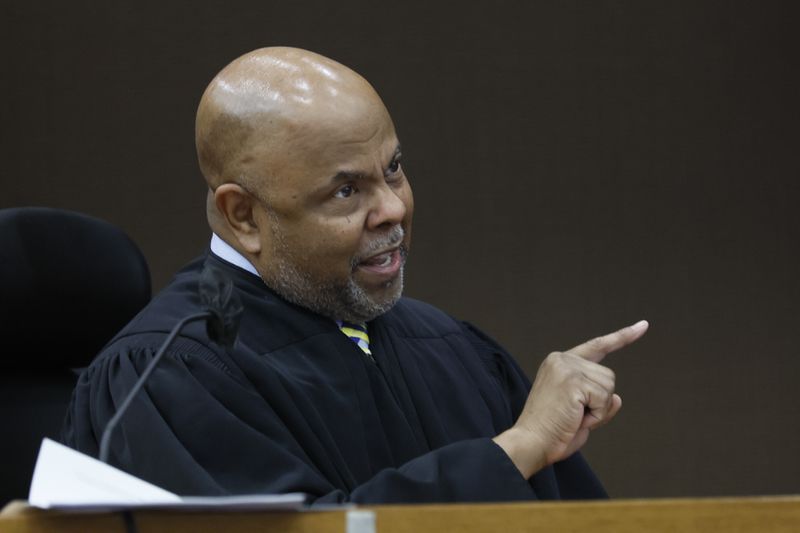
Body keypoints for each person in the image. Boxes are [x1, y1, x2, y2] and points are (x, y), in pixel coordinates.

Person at [62, 47, 648, 503]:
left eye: (393, 170)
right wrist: (514, 450)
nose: (393, 208)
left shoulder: (450, 348)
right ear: (243, 216)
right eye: (346, 191)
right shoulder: (170, 373)